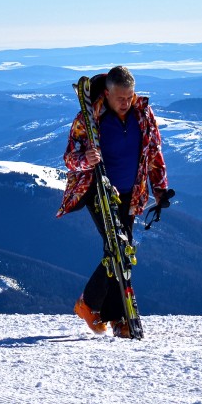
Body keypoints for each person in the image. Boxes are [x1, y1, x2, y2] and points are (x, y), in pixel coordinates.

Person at [56, 65, 173, 337]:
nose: (125, 102)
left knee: (122, 252)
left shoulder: (142, 114)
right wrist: (87, 160)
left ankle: (110, 314)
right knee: (118, 247)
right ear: (106, 94)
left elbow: (153, 152)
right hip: (100, 191)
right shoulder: (88, 118)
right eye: (120, 97)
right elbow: (69, 159)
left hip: (132, 192)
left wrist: (160, 189)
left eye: (129, 96)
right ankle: (96, 307)